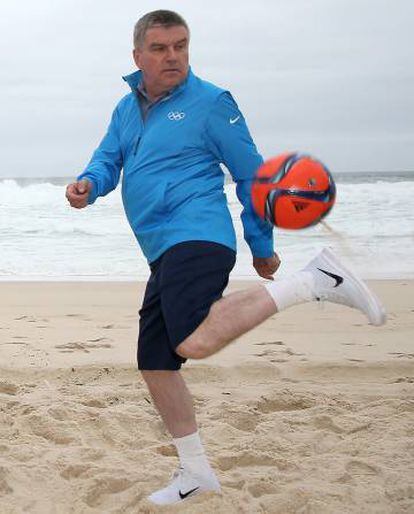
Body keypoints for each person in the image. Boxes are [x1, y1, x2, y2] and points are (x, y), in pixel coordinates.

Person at [65, 10, 386, 506]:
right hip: (160, 249)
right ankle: (196, 474)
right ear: (138, 56)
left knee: (191, 340)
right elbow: (108, 158)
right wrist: (90, 185)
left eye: (181, 45)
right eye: (160, 48)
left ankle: (313, 280)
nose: (173, 56)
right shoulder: (126, 109)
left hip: (198, 235)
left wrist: (261, 247)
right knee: (156, 363)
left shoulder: (212, 103)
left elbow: (253, 176)